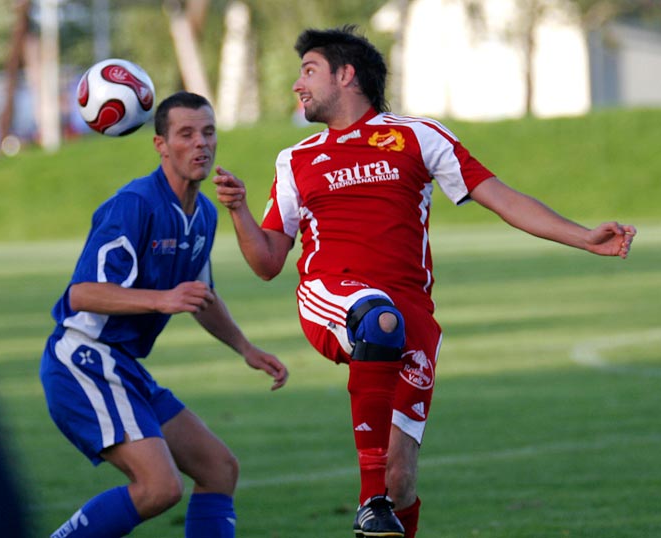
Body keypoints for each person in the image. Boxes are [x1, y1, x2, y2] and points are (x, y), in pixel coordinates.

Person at [213, 25, 636, 538]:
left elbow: (501, 196)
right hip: (333, 295)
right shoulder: (296, 160)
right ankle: (369, 501)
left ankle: (382, 502)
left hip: (411, 317)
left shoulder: (417, 136)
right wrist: (237, 211)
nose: (297, 86)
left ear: (347, 75)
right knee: (378, 321)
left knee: (402, 480)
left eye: (309, 71)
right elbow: (267, 262)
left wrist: (584, 237)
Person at [40, 91, 289, 538]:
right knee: (159, 488)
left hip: (123, 367)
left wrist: (245, 348)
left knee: (218, 469)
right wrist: (160, 299)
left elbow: (200, 296)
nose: (201, 145)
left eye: (208, 133)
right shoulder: (135, 204)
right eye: (186, 134)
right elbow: (81, 294)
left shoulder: (205, 215)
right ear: (160, 144)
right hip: (82, 360)